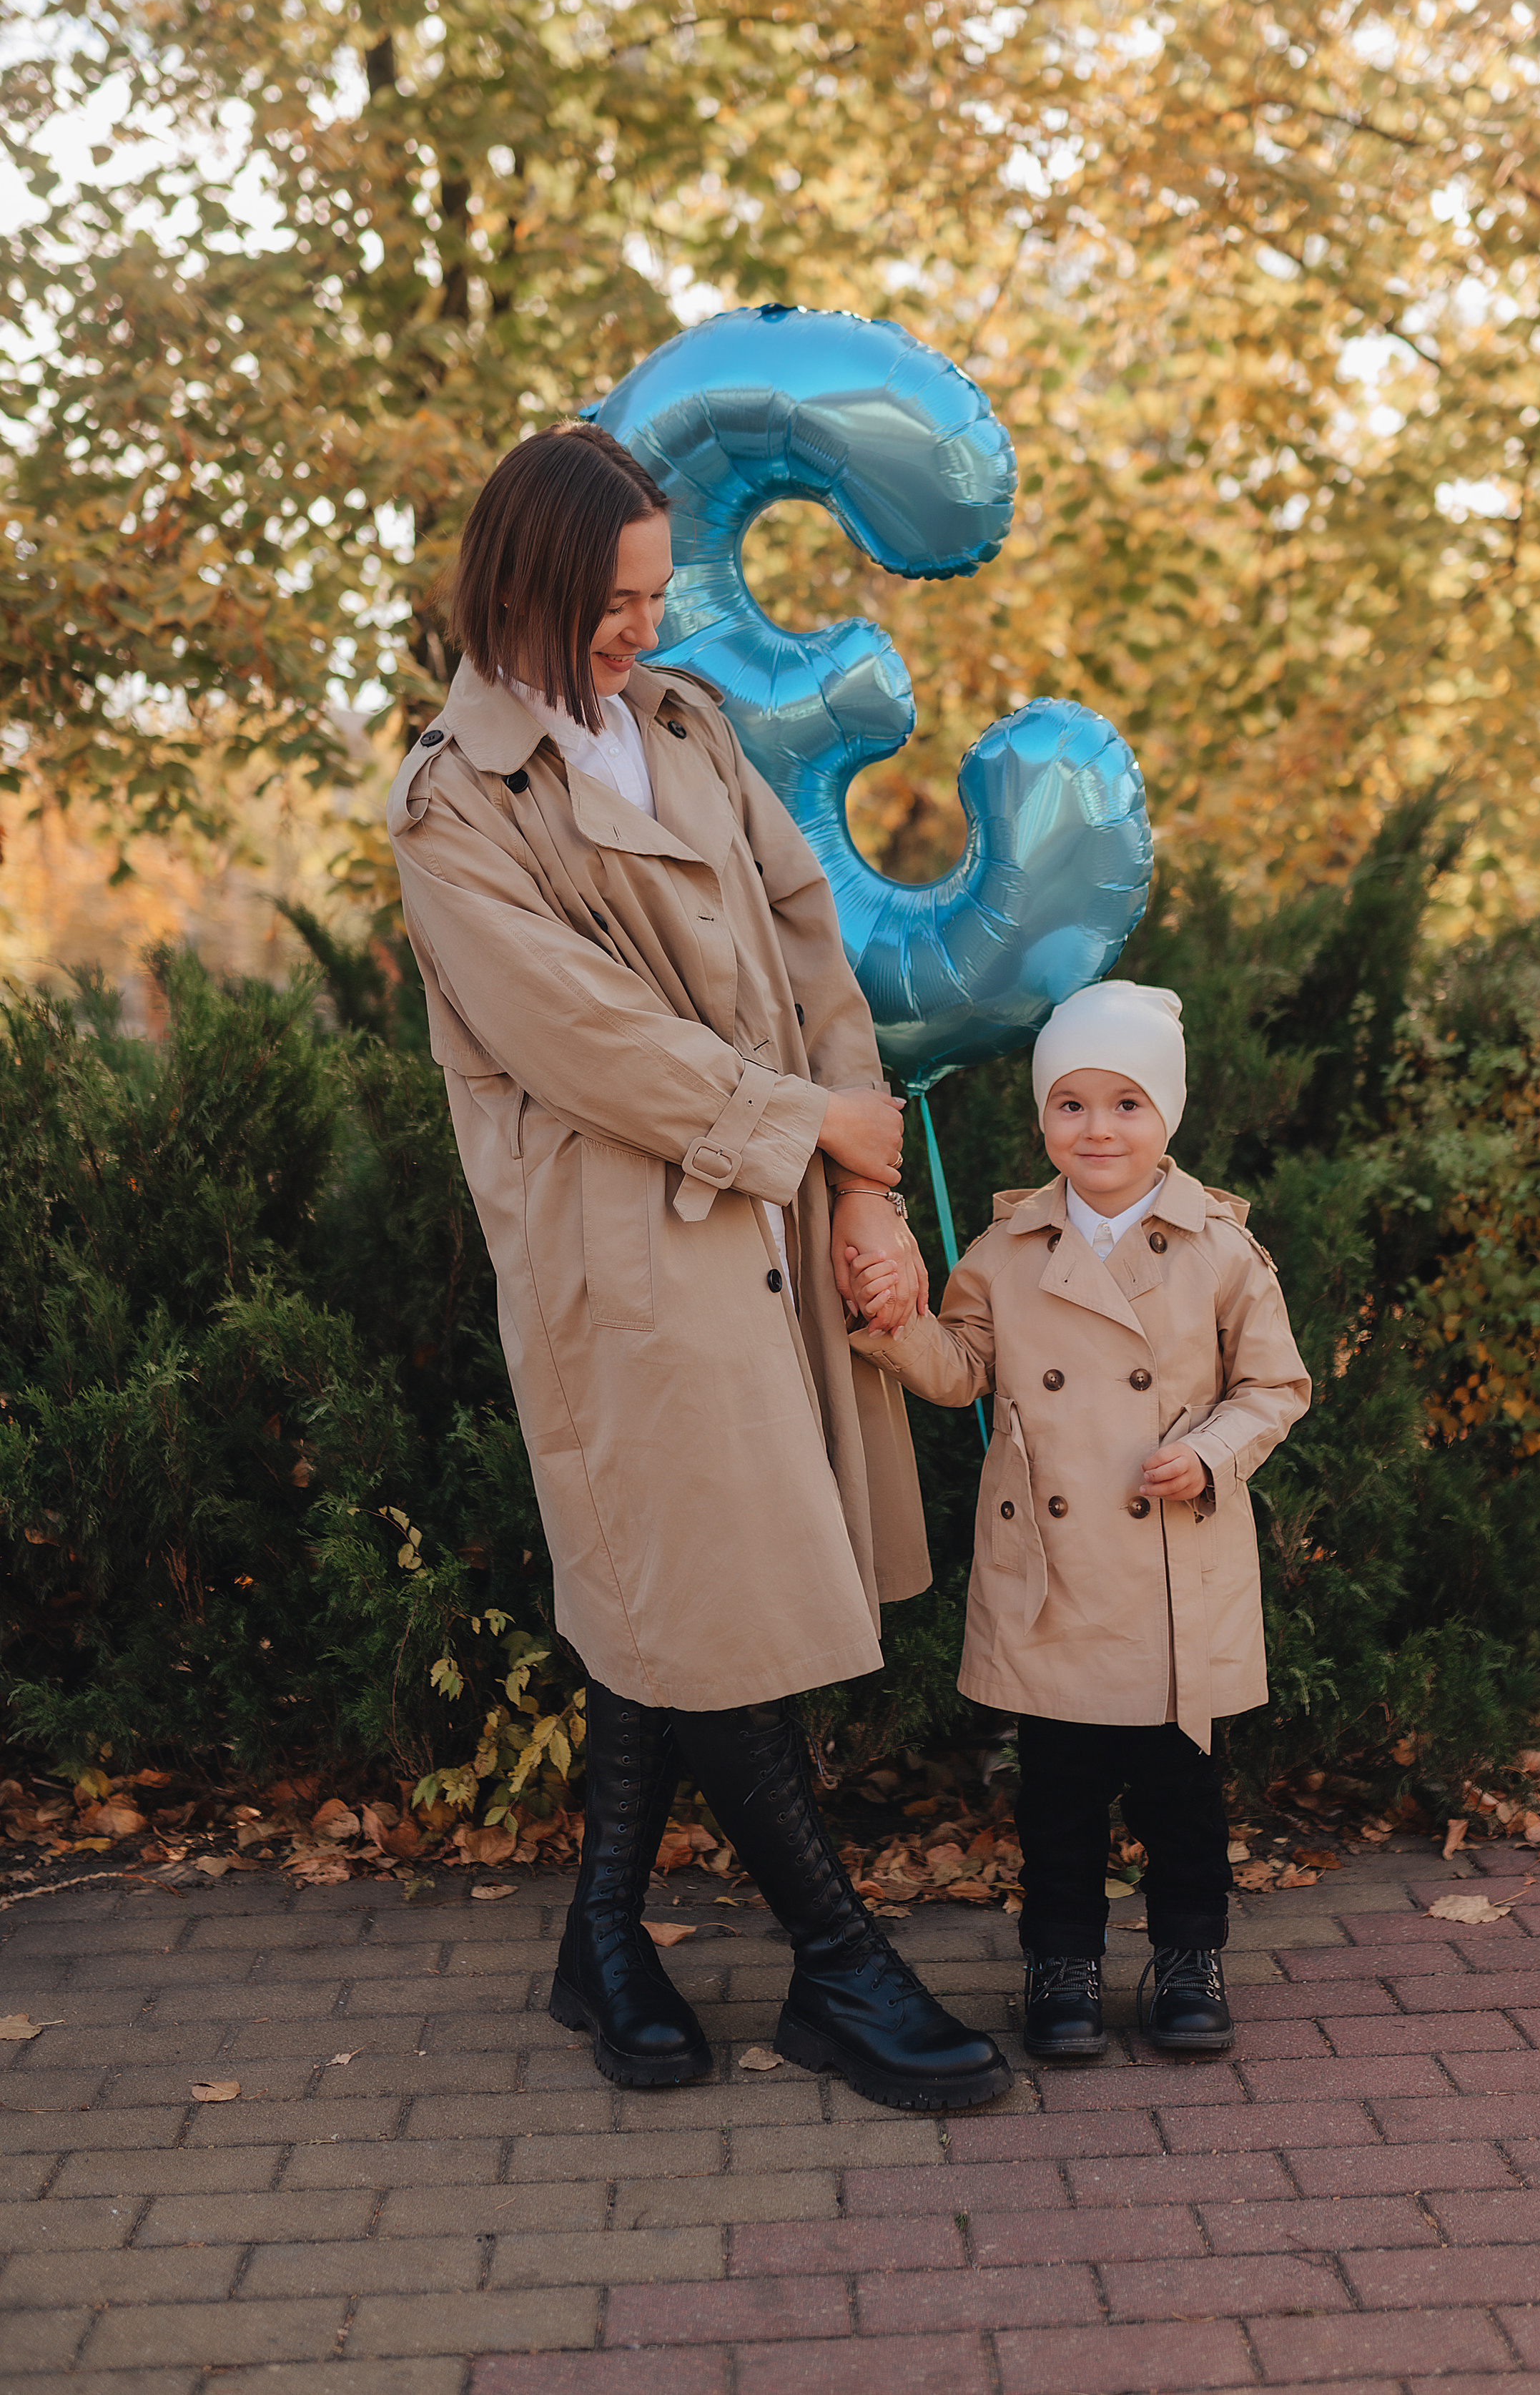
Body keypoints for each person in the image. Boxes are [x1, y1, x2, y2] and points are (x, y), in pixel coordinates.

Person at [386, 421, 1009, 2113]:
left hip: (779, 1203)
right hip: (621, 1242)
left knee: (671, 1588)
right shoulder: (454, 801)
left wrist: (860, 1174)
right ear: (529, 580)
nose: (643, 629)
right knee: (714, 1594)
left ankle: (602, 1943)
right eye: (615, 600)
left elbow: (808, 935)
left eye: (655, 595)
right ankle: (836, 1965)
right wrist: (811, 1124)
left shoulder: (680, 727)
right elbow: (586, 1040)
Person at [846, 978, 1311, 2062]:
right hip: (1052, 1577)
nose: (1097, 1128)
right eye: (1071, 1103)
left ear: (1169, 1116)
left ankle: (1189, 1960)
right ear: (1043, 1115)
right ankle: (1062, 1963)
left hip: (1170, 1573)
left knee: (1182, 1796)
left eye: (1126, 1103)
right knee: (1056, 1798)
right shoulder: (1008, 1249)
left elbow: (1276, 1388)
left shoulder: (1218, 1248)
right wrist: (895, 1321)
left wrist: (1206, 1452)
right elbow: (962, 1371)